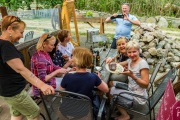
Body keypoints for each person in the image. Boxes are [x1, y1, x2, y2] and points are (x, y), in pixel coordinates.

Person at [0, 15, 54, 120]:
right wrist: (42, 85)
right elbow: (20, 69)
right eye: (21, 32)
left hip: (6, 90)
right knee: (34, 112)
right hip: (14, 92)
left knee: (16, 112)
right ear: (10, 29)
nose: (22, 36)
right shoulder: (6, 46)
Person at [60, 47, 109, 119]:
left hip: (66, 110)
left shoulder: (67, 76)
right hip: (84, 112)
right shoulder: (93, 77)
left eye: (72, 56)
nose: (71, 58)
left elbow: (60, 93)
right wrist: (99, 78)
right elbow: (106, 89)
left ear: (75, 61)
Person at [110, 41, 149, 120]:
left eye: (134, 51)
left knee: (110, 91)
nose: (131, 54)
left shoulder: (142, 64)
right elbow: (118, 65)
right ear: (126, 52)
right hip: (130, 88)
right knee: (111, 83)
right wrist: (109, 61)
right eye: (129, 52)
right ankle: (120, 106)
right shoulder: (130, 60)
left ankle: (125, 115)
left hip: (137, 96)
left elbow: (145, 85)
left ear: (139, 51)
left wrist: (132, 75)